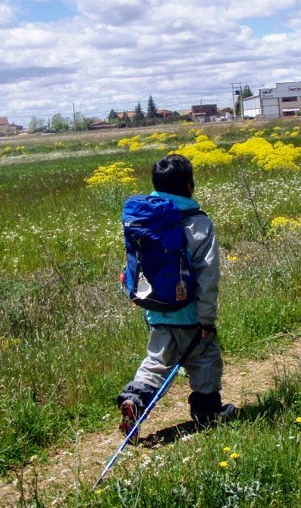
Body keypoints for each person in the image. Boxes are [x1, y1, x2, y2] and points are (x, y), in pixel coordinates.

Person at [117, 154, 233, 441]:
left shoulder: (145, 218)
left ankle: (134, 400)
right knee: (205, 359)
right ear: (190, 186)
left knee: (156, 362)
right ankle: (207, 413)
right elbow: (208, 275)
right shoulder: (199, 223)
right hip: (191, 313)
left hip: (155, 308)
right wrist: (206, 318)